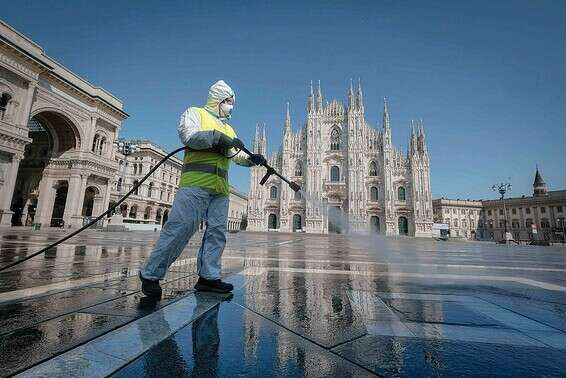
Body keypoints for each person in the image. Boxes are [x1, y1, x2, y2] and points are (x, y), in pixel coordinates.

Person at [139, 80, 266, 298]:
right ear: (217, 99)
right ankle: (151, 273)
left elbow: (235, 154)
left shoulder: (228, 127)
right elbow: (189, 136)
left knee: (217, 232)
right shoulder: (195, 113)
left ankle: (208, 277)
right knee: (180, 228)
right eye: (228, 101)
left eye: (232, 102)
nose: (230, 106)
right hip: (196, 183)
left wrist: (251, 159)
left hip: (220, 188)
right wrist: (217, 138)